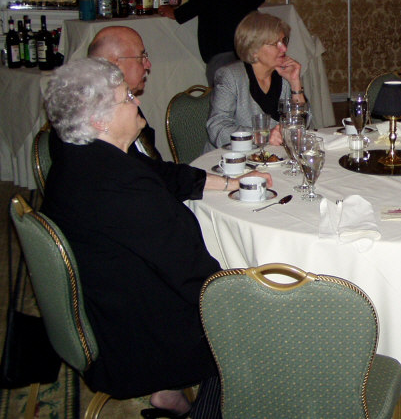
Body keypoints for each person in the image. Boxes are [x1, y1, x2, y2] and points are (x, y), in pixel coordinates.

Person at [40, 58, 272, 418]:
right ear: (100, 120)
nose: (137, 101)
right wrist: (247, 302)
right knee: (262, 318)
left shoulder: (80, 157)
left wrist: (228, 182)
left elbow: (160, 176)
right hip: (136, 344)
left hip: (106, 308)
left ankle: (169, 394)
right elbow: (192, 274)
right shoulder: (122, 187)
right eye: (127, 97)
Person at [206, 11, 305, 150]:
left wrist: (295, 83)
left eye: (283, 41)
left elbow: (303, 124)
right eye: (275, 43)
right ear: (254, 50)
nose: (284, 48)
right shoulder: (230, 76)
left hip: (274, 156)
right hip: (232, 157)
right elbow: (217, 128)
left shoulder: (284, 75)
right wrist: (262, 136)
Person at [87, 25, 160, 159]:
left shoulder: (124, 103)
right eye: (141, 57)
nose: (148, 64)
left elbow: (152, 165)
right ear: (115, 64)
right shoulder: (83, 122)